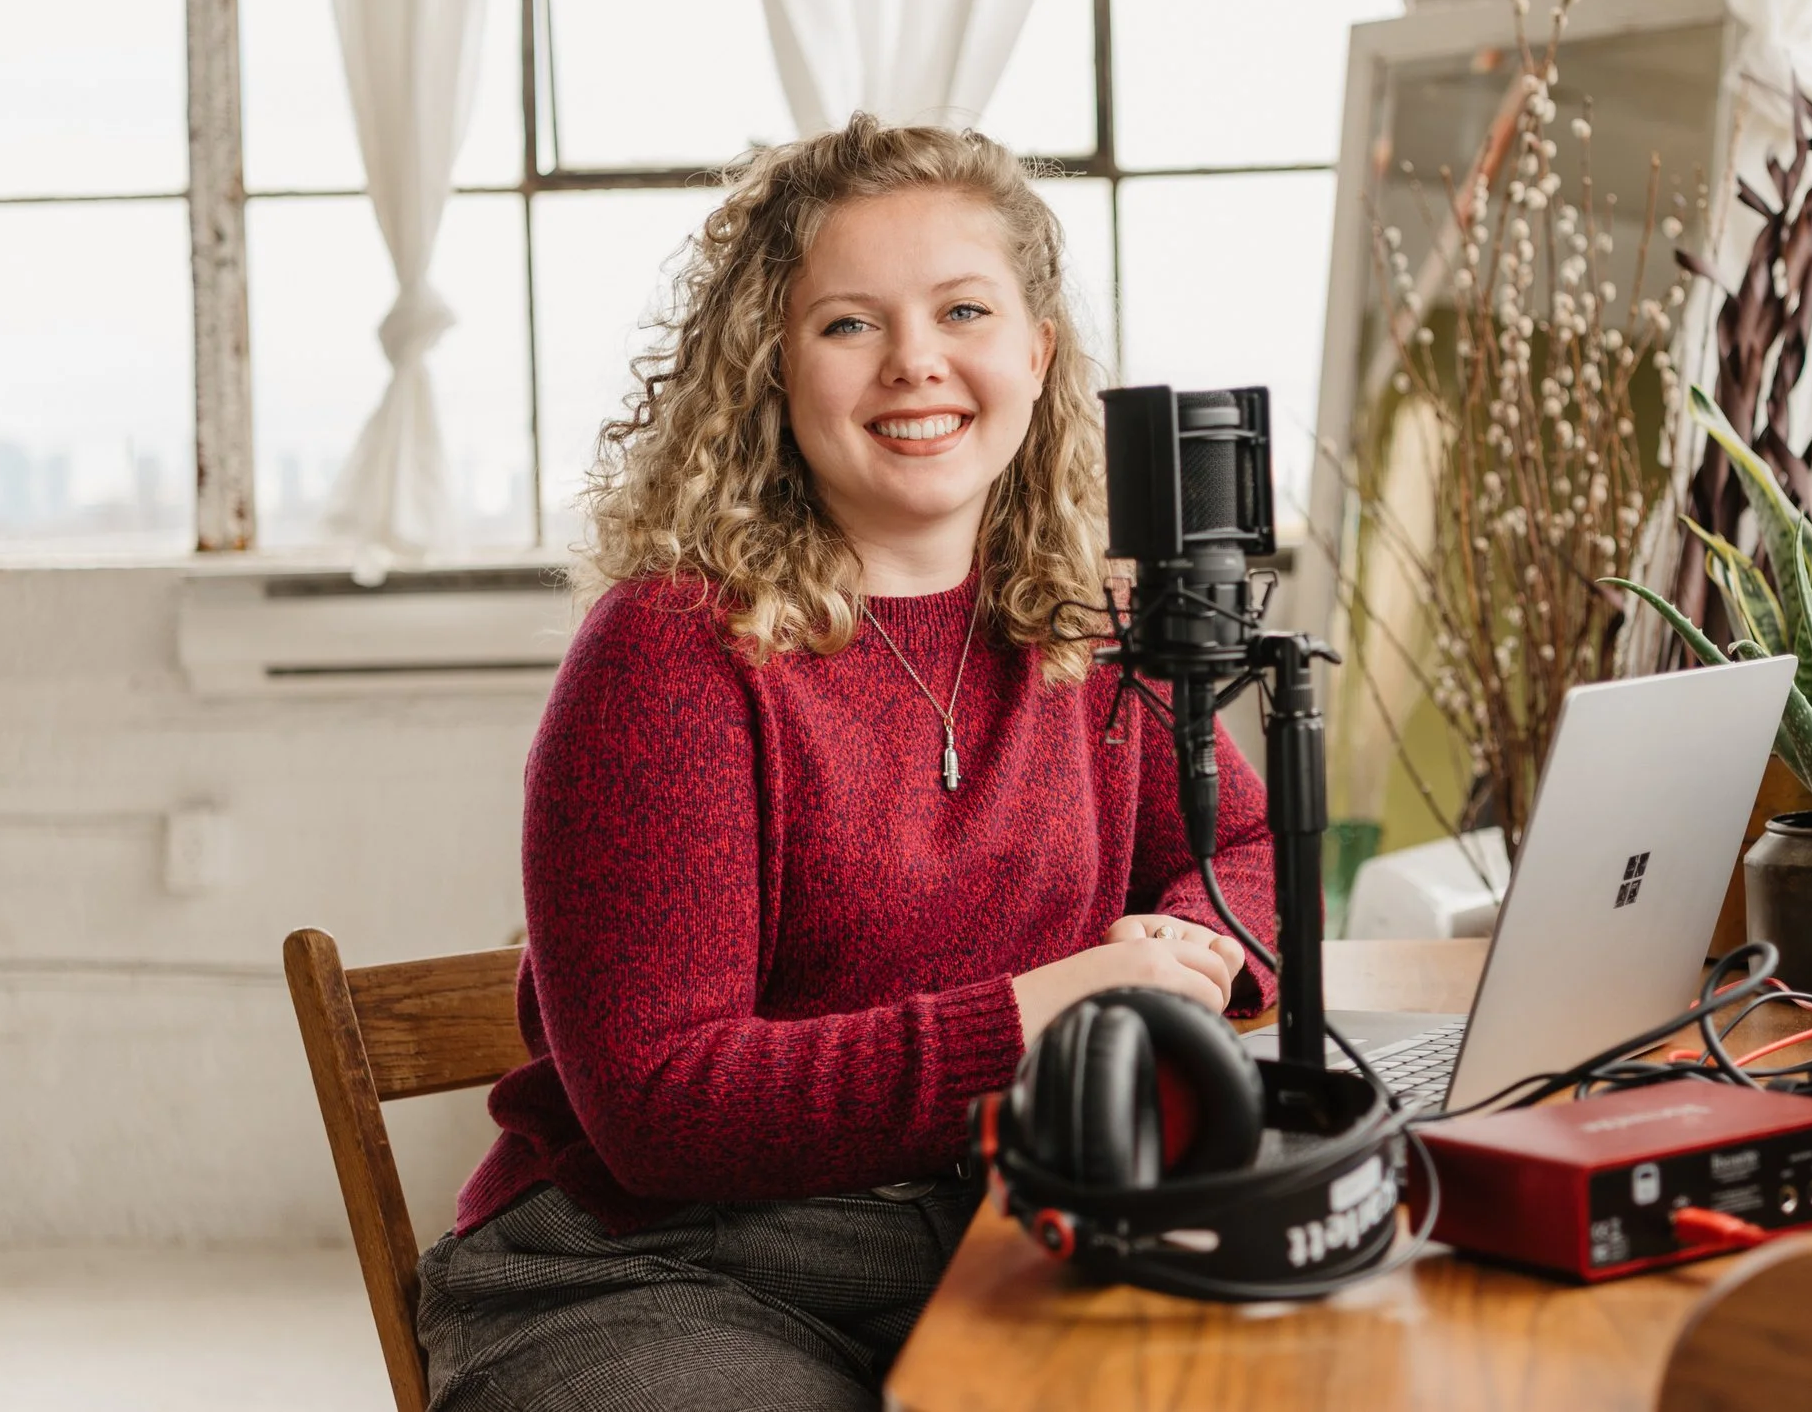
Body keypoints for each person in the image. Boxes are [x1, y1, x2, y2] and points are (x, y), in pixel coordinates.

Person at [415, 116, 1278, 1411]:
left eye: (964, 310)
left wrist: (1192, 947)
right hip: (665, 1269)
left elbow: (1246, 852)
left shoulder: (1087, 623)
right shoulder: (669, 653)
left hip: (1010, 1220)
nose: (916, 363)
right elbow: (662, 1108)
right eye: (849, 324)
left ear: (1037, 353)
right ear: (773, 365)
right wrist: (1059, 1009)